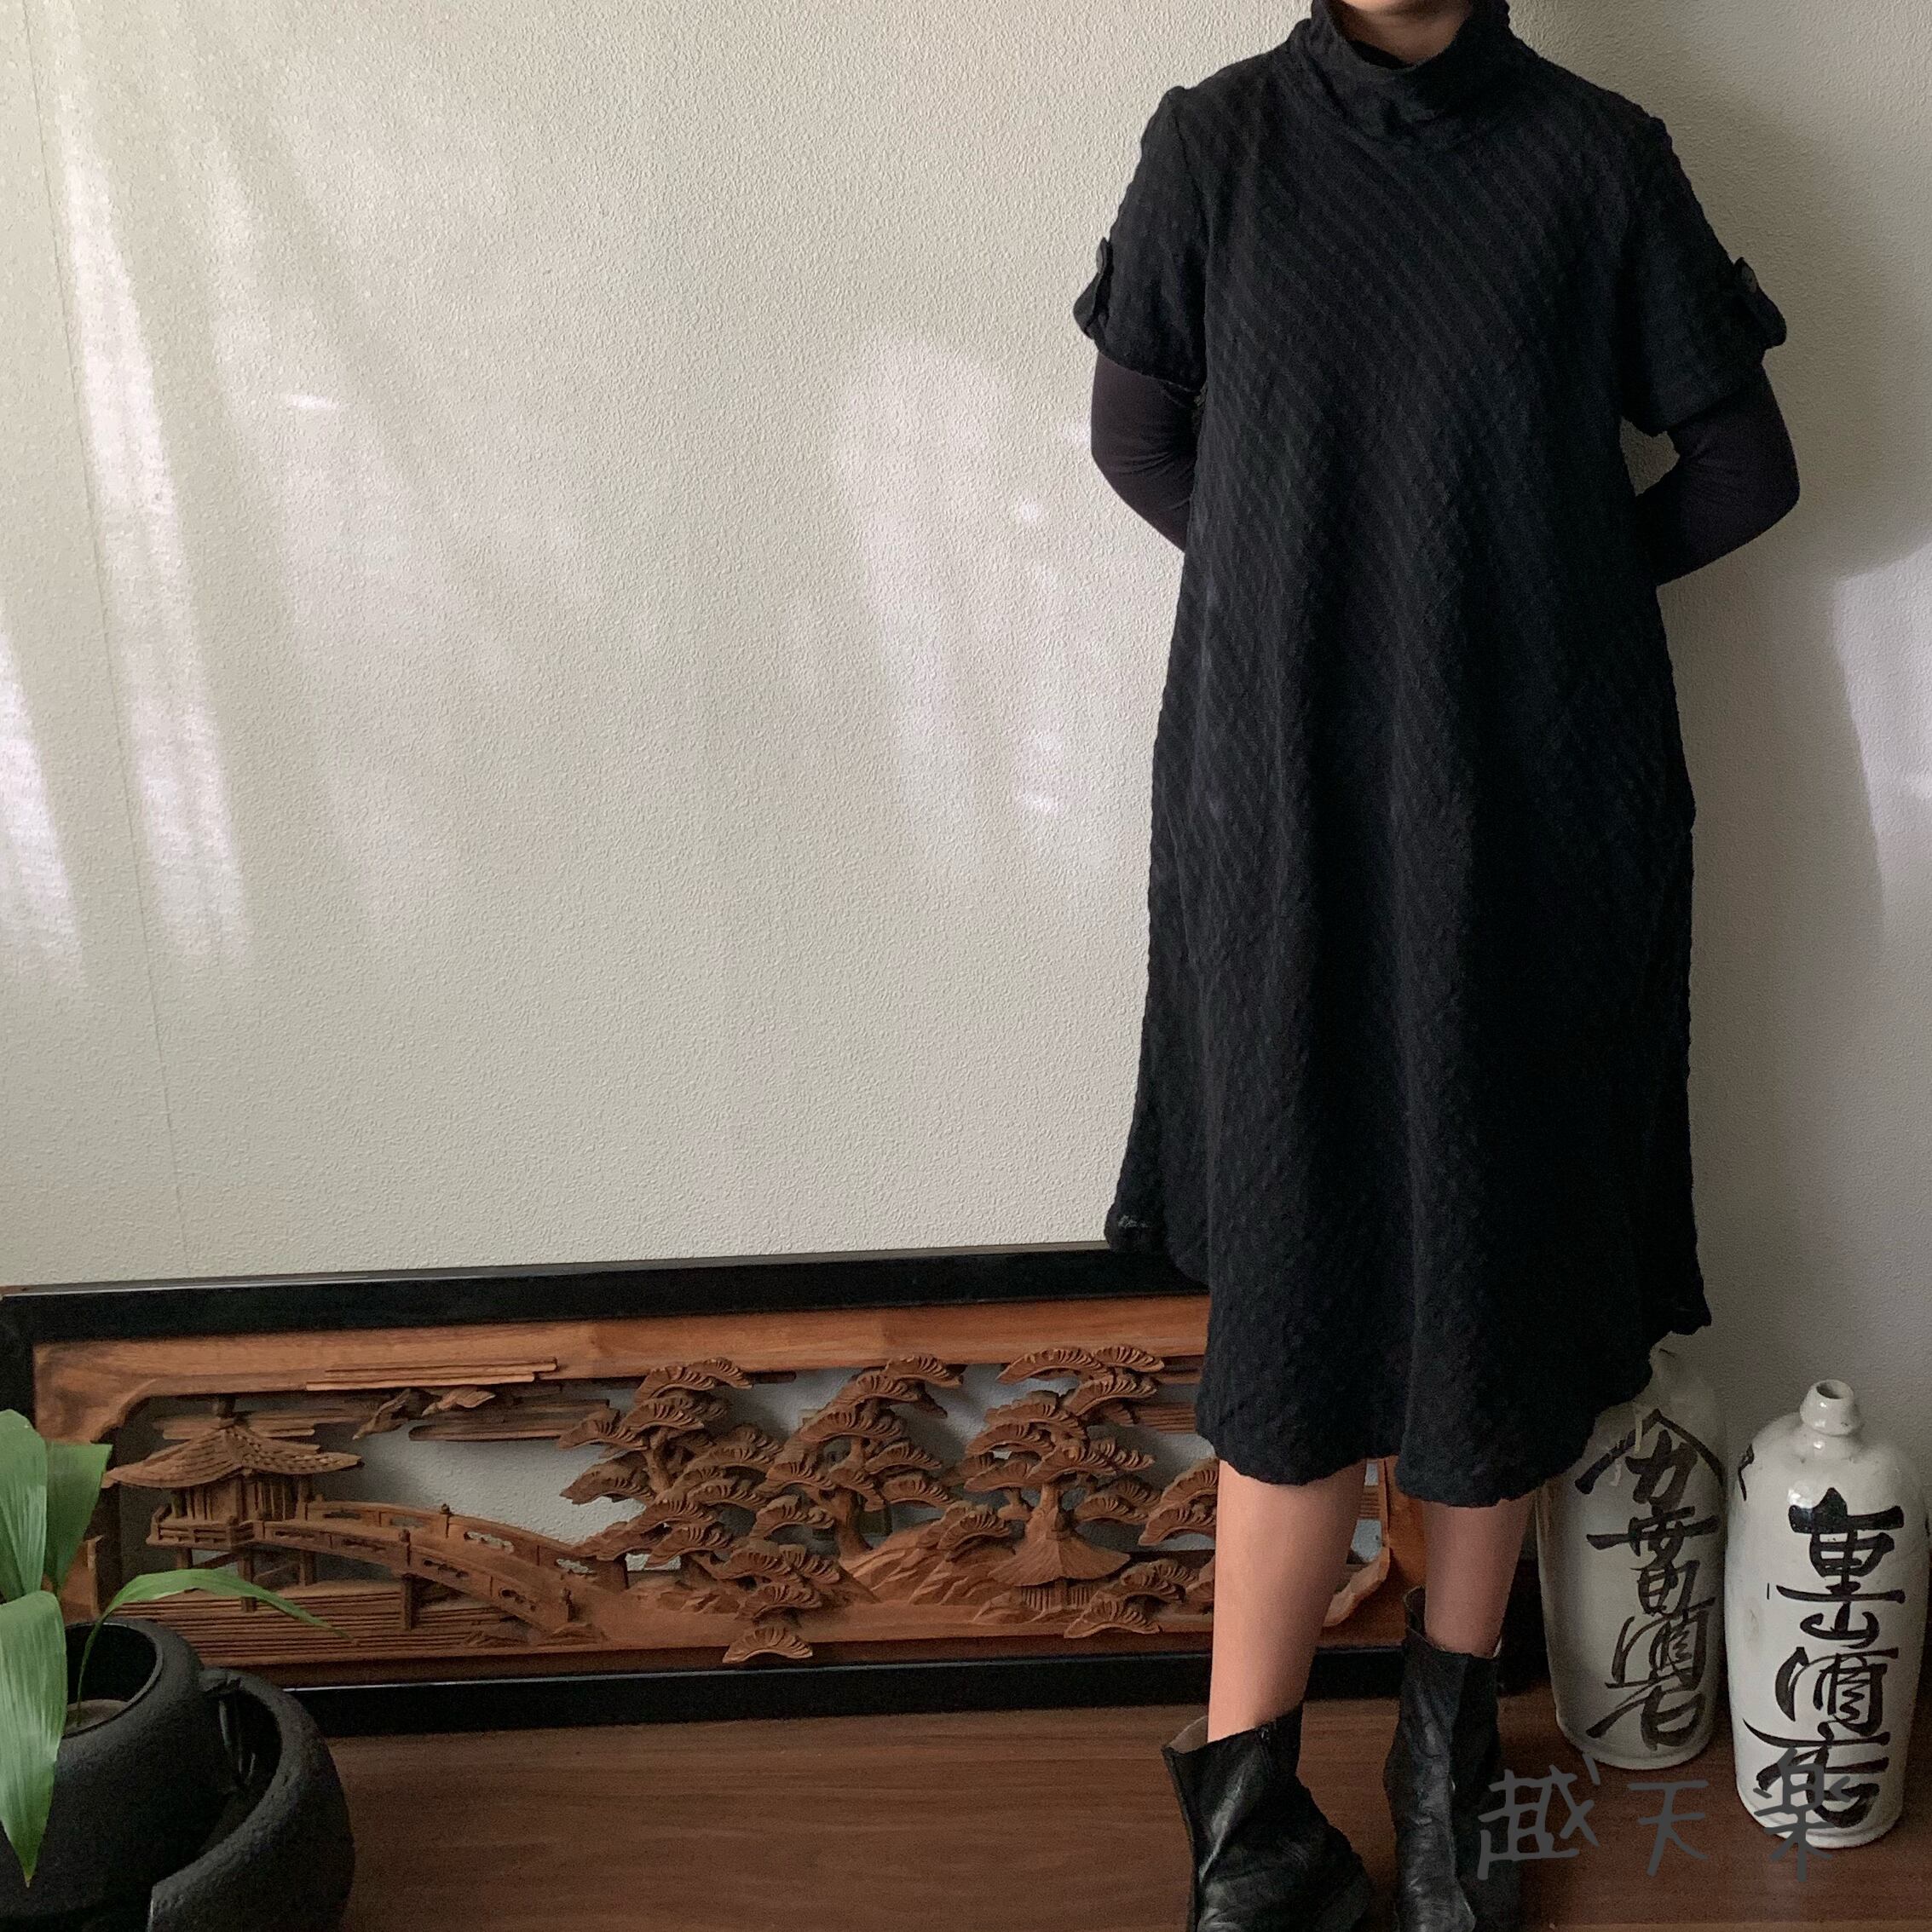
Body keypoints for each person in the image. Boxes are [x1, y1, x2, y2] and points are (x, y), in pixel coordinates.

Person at [1070, 3, 1799, 1929]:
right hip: (1285, 803)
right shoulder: (1217, 146)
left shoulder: (1596, 160)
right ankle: (1247, 1831)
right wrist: (1321, 589)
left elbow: (1743, 465)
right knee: (1294, 1301)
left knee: (1499, 1275)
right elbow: (1137, 433)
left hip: (1532, 804)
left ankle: (1449, 1768)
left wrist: (1522, 589)